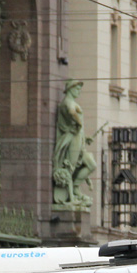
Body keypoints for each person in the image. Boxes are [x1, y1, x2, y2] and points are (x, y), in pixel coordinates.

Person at [52, 80, 96, 208]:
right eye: (77, 89)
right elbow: (72, 112)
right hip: (73, 140)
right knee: (70, 168)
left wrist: (84, 136)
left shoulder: (71, 102)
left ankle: (76, 188)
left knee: (91, 165)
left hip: (79, 139)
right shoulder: (68, 102)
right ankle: (71, 196)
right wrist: (80, 123)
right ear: (70, 89)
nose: (79, 91)